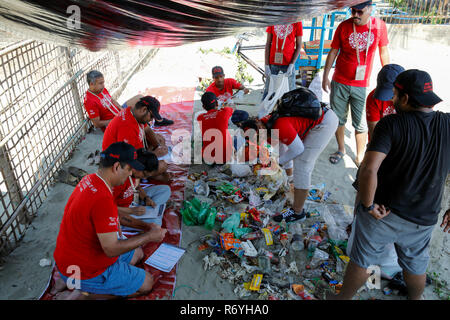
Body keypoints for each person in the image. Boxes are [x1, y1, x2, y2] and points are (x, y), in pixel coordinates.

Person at [329, 69, 450, 300]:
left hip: (384, 212)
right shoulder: (447, 123)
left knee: (361, 261)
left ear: (405, 98)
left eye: (395, 95)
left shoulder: (391, 124)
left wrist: (368, 205)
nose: (392, 100)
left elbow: (369, 169)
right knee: (415, 266)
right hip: (424, 216)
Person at [53, 142, 167, 299]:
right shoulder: (103, 199)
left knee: (137, 254)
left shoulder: (90, 179)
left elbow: (113, 219)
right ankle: (84, 295)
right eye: (128, 170)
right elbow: (111, 249)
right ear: (116, 167)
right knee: (147, 283)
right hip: (84, 267)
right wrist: (149, 236)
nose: (129, 175)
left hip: (69, 259)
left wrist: (147, 228)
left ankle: (71, 281)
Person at [240, 88, 338, 222]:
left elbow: (298, 149)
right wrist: (287, 176)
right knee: (292, 158)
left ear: (259, 128)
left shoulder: (278, 125)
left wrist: (278, 163)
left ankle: (298, 212)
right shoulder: (265, 122)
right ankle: (292, 182)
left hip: (325, 123)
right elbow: (282, 148)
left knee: (303, 165)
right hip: (322, 115)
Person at [322, 0, 390, 166]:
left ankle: (360, 156)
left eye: (359, 12)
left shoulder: (379, 27)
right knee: (338, 118)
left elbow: (384, 51)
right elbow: (333, 52)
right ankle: (341, 149)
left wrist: (388, 79)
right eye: (353, 11)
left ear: (370, 9)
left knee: (361, 122)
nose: (355, 15)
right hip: (340, 81)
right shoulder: (343, 26)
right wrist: (325, 75)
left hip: (362, 84)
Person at [84, 70, 173, 132]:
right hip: (114, 121)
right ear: (91, 84)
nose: (103, 85)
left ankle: (158, 120)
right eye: (101, 83)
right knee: (140, 122)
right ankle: (145, 124)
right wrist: (118, 118)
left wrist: (121, 108)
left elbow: (111, 100)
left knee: (142, 98)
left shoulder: (100, 89)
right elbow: (97, 124)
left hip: (119, 112)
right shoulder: (89, 101)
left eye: (103, 82)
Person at [114, 149, 171, 231]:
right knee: (156, 224)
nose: (144, 178)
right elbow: (106, 208)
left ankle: (152, 211)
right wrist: (131, 211)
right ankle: (152, 214)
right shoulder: (118, 179)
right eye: (144, 174)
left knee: (165, 190)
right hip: (122, 213)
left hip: (133, 201)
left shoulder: (133, 173)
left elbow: (137, 187)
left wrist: (146, 198)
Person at [102, 96, 168, 158]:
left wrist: (158, 146)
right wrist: (155, 154)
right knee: (162, 166)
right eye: (152, 116)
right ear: (144, 110)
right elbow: (132, 158)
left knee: (159, 139)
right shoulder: (127, 128)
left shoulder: (133, 112)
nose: (151, 120)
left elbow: (147, 129)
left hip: (129, 149)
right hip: (116, 160)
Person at [263, 21, 303, 100]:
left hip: (288, 63)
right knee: (269, 91)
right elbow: (268, 44)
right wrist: (266, 65)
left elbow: (299, 46)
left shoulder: (297, 21)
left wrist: (292, 64)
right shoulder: (275, 19)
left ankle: (288, 111)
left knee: (290, 92)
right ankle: (266, 111)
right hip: (272, 63)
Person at [366, 64, 404, 140]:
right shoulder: (373, 98)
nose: (389, 99)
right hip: (381, 141)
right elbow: (374, 131)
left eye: (392, 94)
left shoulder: (410, 98)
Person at [197, 92, 237, 164]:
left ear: (203, 107)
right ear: (217, 103)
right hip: (225, 157)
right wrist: (225, 105)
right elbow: (233, 107)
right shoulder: (224, 112)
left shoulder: (200, 117)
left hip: (208, 158)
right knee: (234, 137)